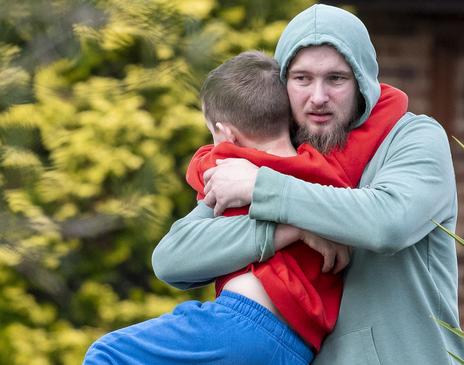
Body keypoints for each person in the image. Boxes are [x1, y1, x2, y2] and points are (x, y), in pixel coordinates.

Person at [153, 4, 464, 365]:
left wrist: (263, 189)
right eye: (302, 79)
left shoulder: (412, 137)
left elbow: (389, 222)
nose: (318, 96)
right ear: (282, 85)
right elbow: (173, 258)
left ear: (362, 81)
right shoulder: (269, 154)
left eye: (336, 79)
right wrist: (289, 228)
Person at [85, 48, 408, 363]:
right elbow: (391, 103)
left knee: (107, 353)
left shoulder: (229, 167)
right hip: (297, 349)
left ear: (226, 134)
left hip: (240, 324)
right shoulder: (326, 168)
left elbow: (198, 168)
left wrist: (213, 156)